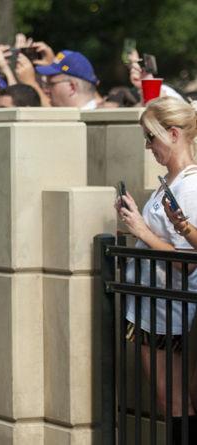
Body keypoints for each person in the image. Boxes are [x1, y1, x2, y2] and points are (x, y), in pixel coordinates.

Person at [116, 96, 197, 438]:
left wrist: (141, 230)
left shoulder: (189, 187)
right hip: (158, 307)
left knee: (175, 402)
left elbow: (186, 263)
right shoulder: (173, 180)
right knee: (174, 401)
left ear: (174, 134)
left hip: (170, 311)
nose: (148, 146)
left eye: (151, 137)